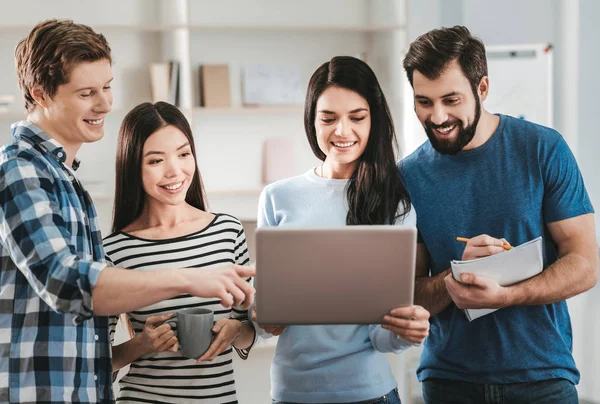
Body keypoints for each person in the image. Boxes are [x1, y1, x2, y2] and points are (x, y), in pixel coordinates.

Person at [0, 20, 254, 403]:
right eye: (87, 93)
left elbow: (89, 343)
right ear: (40, 94)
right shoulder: (19, 170)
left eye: (106, 87)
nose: (104, 104)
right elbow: (66, 282)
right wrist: (187, 278)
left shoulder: (65, 179)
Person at [400, 25, 599, 404]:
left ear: (483, 89)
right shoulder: (408, 176)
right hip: (448, 382)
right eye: (424, 102)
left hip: (542, 379)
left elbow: (585, 263)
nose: (437, 116)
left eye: (451, 99)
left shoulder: (543, 149)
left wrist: (507, 295)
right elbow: (407, 293)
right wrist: (455, 276)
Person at [253, 56, 430, 404]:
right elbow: (263, 315)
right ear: (311, 120)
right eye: (328, 118)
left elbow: (382, 337)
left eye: (357, 118)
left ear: (374, 120)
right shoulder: (278, 197)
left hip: (369, 392)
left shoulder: (394, 203)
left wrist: (407, 332)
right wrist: (260, 317)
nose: (342, 131)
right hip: (292, 392)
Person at [104, 102, 256, 403]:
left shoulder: (227, 230)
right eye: (156, 160)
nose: (176, 171)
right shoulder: (114, 251)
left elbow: (249, 328)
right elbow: (98, 362)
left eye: (184, 154)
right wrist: (142, 344)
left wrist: (236, 330)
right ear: (133, 166)